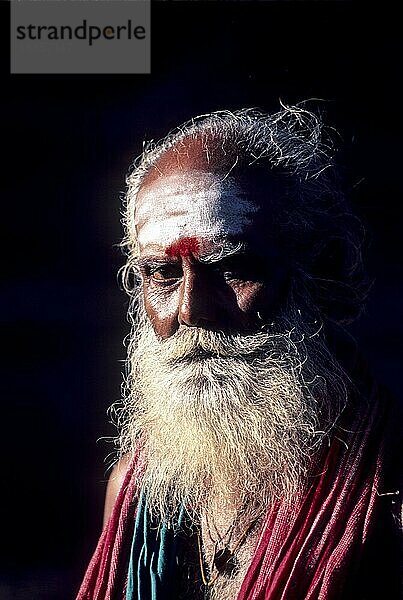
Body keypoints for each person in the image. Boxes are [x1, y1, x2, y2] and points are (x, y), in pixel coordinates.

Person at [77, 104, 401, 599]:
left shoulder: (390, 499)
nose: (191, 309)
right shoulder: (135, 488)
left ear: (326, 273)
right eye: (162, 275)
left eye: (231, 268)